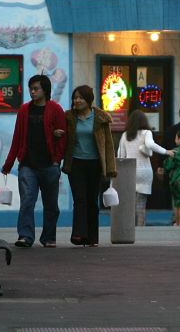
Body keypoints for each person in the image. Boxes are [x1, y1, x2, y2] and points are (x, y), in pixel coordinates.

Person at [1, 74, 67, 248]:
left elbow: (63, 138)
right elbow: (17, 138)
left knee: (51, 204)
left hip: (49, 164)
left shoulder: (56, 109)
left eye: (36, 88)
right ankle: (25, 236)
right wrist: (9, 163)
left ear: (45, 90)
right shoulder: (24, 110)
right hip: (28, 164)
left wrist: (57, 161)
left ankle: (48, 237)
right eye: (31, 88)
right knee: (27, 201)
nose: (33, 91)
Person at [63, 85, 117, 247]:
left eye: (80, 97)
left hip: (95, 164)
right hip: (76, 163)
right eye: (75, 97)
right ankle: (79, 234)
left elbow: (108, 144)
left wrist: (110, 168)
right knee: (80, 199)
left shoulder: (101, 118)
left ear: (88, 100)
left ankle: (92, 237)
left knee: (92, 201)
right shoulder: (68, 118)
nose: (77, 100)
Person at [115, 109, 172, 226]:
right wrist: (166, 151)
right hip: (144, 171)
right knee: (141, 202)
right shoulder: (146, 133)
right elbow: (150, 145)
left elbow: (120, 155)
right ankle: (140, 226)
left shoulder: (125, 135)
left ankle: (129, 227)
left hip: (129, 171)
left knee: (130, 201)